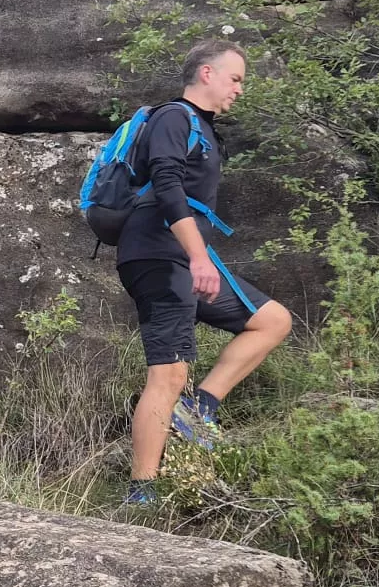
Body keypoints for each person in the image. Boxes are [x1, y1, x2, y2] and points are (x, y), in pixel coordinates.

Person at [116, 40, 292, 505]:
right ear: (208, 73)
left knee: (272, 320)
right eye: (236, 79)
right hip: (158, 255)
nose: (240, 89)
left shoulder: (206, 130)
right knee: (168, 374)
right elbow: (168, 185)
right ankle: (142, 493)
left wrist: (197, 258)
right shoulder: (174, 117)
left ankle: (198, 409)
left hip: (181, 257)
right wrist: (198, 258)